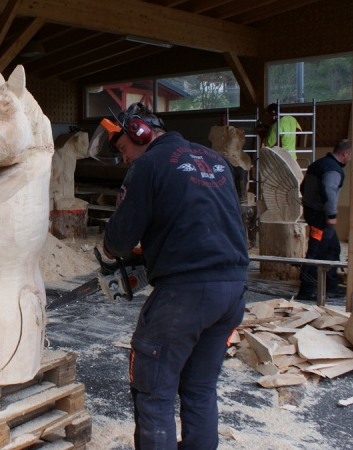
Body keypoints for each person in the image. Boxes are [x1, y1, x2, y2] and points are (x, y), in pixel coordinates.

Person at [100, 103, 248, 449]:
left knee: (154, 391)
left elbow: (119, 240)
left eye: (123, 148)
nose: (124, 158)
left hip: (185, 294)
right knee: (199, 387)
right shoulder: (216, 161)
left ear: (140, 133)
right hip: (232, 289)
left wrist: (110, 248)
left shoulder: (148, 164)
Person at [297, 139, 352, 301]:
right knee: (317, 252)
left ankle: (331, 286)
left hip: (313, 212)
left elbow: (303, 187)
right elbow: (328, 190)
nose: (351, 158)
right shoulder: (333, 170)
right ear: (345, 153)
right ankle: (307, 289)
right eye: (351, 155)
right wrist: (332, 215)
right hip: (321, 217)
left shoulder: (318, 164)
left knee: (333, 248)